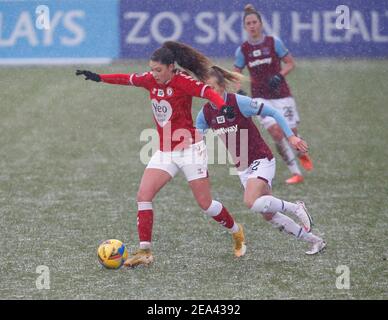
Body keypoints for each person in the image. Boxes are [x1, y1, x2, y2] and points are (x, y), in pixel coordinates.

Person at [76, 41, 247, 267]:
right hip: (165, 150)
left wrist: (221, 105)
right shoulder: (149, 80)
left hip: (190, 149)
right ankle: (145, 252)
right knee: (143, 196)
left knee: (205, 204)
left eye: (158, 70)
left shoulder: (182, 81)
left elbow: (206, 92)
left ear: (170, 67)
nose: (153, 74)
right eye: (152, 69)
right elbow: (126, 79)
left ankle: (237, 232)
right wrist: (99, 77)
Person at [196, 66, 326, 254]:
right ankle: (315, 241)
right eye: (205, 89)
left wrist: (291, 137)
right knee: (268, 214)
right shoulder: (206, 113)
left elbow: (273, 113)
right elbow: (196, 138)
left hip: (261, 159)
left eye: (213, 88)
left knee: (251, 202)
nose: (209, 93)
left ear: (223, 86)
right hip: (242, 168)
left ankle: (296, 207)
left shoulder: (238, 102)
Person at [234, 4, 313, 185]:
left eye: (255, 22)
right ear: (245, 27)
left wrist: (279, 75)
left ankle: (302, 153)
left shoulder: (273, 42)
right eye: (249, 23)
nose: (252, 26)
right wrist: (239, 88)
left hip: (282, 95)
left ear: (261, 24)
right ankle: (295, 172)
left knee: (290, 131)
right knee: (276, 133)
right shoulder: (243, 50)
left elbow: (290, 63)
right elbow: (235, 72)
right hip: (260, 97)